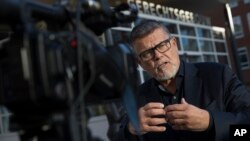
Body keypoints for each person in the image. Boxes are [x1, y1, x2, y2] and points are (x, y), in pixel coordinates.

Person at [111, 20, 250, 141]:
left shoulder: (219, 75)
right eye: (147, 53)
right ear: (140, 63)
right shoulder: (136, 98)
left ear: (174, 44)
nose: (158, 56)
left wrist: (210, 121)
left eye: (162, 45)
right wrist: (131, 130)